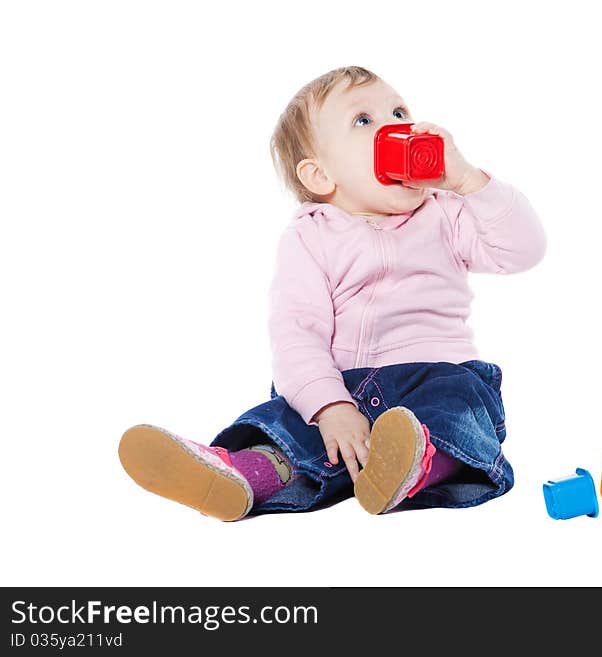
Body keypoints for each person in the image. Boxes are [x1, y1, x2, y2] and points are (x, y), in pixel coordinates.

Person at [118, 65, 546, 521]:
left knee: (457, 411)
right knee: (294, 428)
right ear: (320, 176)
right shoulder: (311, 236)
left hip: (437, 373)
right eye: (364, 121)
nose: (397, 126)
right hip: (342, 383)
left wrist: (466, 180)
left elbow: (524, 250)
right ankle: (241, 473)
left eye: (399, 111)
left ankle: (414, 465)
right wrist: (330, 405)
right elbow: (296, 330)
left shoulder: (447, 214)